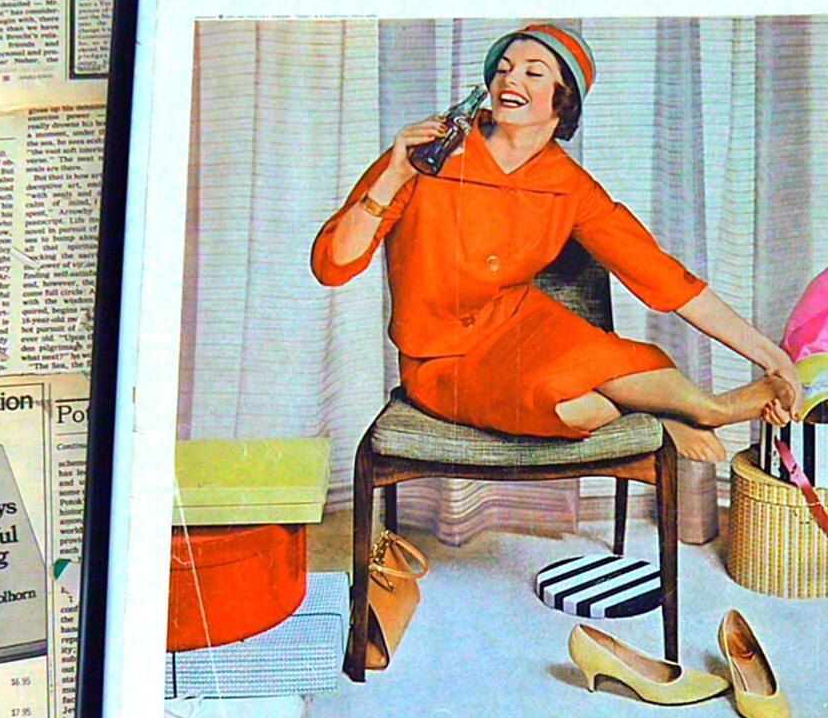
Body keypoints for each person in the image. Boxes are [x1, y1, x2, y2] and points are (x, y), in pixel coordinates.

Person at [310, 24, 801, 462]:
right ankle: (658, 417)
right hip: (438, 359)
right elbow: (333, 266)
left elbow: (664, 277)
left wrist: (768, 353)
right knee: (570, 406)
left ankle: (711, 409)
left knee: (615, 363)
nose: (510, 80)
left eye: (533, 72)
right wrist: (393, 175)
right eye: (504, 69)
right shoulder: (429, 154)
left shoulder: (569, 186)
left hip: (525, 328)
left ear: (562, 99)